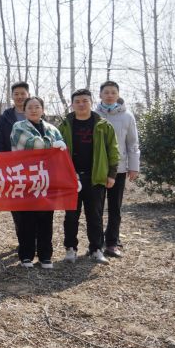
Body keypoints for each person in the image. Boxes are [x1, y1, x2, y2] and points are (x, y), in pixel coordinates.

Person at [59, 89, 120, 265]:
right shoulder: (64, 125)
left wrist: (112, 174)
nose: (81, 104)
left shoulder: (103, 125)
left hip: (95, 177)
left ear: (91, 102)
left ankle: (96, 249)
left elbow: (113, 150)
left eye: (85, 101)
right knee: (71, 216)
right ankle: (71, 248)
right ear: (72, 104)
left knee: (95, 216)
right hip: (71, 178)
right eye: (77, 101)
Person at [10, 97, 66, 268]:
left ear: (42, 109)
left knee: (46, 217)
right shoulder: (18, 127)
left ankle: (45, 256)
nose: (33, 110)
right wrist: (54, 145)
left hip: (47, 179)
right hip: (25, 178)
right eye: (30, 107)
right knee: (26, 218)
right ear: (24, 110)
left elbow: (62, 152)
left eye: (37, 107)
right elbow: (32, 144)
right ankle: (26, 256)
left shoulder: (52, 128)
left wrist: (59, 147)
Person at [95, 80, 140, 259]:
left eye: (113, 92)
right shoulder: (93, 114)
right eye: (106, 92)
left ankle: (112, 243)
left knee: (115, 208)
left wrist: (133, 166)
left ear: (118, 94)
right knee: (96, 209)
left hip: (119, 169)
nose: (110, 95)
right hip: (97, 169)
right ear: (100, 94)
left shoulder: (127, 116)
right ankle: (96, 243)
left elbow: (133, 143)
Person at [0, 81, 30, 254]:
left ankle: (33, 240)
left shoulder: (36, 112)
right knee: (16, 205)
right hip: (13, 168)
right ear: (12, 96)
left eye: (23, 93)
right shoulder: (6, 117)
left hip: (34, 168)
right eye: (16, 94)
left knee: (34, 203)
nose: (20, 97)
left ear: (28, 95)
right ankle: (23, 239)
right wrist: (3, 162)